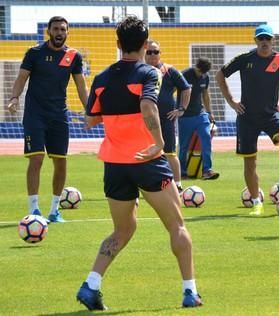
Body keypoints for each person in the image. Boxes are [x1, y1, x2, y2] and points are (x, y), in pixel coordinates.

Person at [76, 16, 202, 310]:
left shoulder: (103, 78)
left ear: (118, 44)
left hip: (115, 164)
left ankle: (91, 285)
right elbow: (147, 105)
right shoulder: (150, 73)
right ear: (146, 45)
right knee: (177, 226)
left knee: (122, 230)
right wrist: (158, 143)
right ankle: (190, 292)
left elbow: (89, 121)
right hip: (147, 159)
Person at [7, 16, 88, 223]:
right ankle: (34, 210)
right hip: (35, 114)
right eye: (56, 29)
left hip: (59, 116)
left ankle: (54, 210)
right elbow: (21, 78)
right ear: (48, 32)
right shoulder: (34, 53)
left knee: (60, 162)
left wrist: (90, 110)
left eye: (63, 29)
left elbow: (81, 87)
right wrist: (14, 98)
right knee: (36, 158)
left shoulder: (73, 56)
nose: (59, 32)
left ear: (67, 32)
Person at [216, 24, 279, 216]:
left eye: (267, 38)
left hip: (270, 116)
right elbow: (220, 74)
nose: (264, 42)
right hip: (247, 118)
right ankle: (255, 203)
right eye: (261, 39)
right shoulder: (245, 59)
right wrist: (231, 101)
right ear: (255, 41)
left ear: (273, 40)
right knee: (250, 162)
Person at [144, 39, 191, 192]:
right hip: (144, 120)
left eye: (155, 51)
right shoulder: (140, 70)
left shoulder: (169, 70)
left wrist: (181, 108)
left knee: (170, 152)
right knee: (145, 152)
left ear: (160, 53)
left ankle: (177, 184)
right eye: (149, 52)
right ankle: (146, 185)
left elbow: (186, 88)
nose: (152, 55)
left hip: (166, 120)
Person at [178, 57, 219, 180]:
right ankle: (182, 172)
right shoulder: (184, 75)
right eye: (200, 71)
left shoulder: (205, 77)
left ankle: (207, 170)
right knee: (183, 145)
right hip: (184, 116)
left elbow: (205, 95)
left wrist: (209, 112)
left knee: (206, 137)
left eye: (204, 73)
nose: (201, 74)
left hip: (200, 114)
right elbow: (173, 90)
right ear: (196, 66)